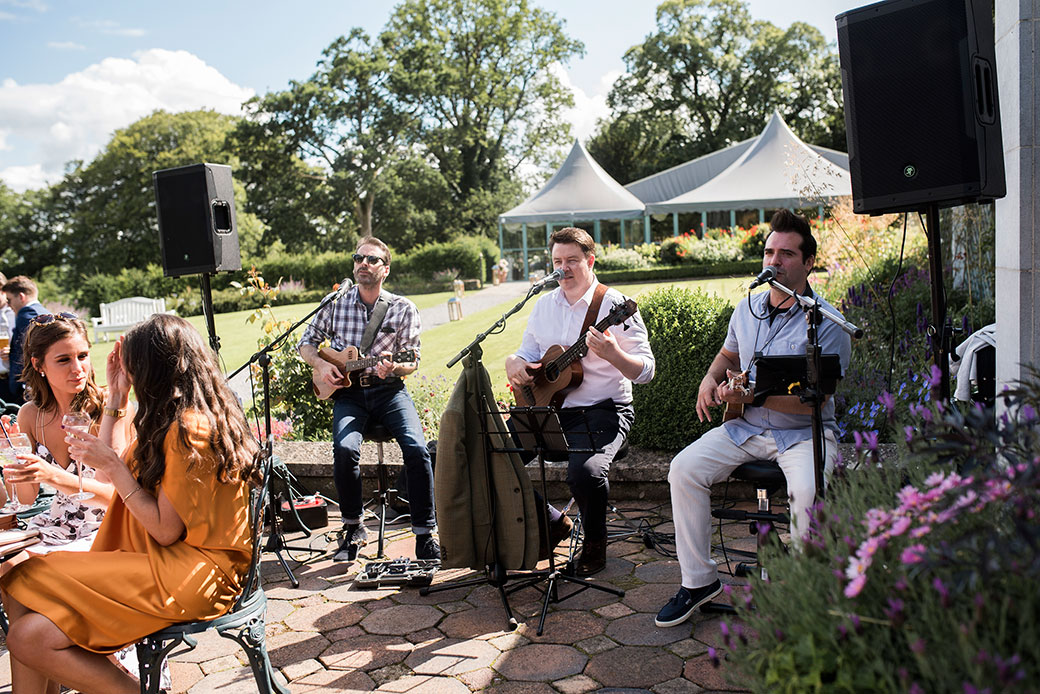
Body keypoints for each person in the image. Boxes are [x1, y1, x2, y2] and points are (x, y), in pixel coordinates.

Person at [0, 314, 258, 693]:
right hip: (173, 561)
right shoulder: (177, 419)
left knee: (22, 578)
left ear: (153, 367)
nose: (127, 373)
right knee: (27, 634)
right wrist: (118, 399)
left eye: (131, 364)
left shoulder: (188, 430)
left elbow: (165, 530)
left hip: (197, 573)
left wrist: (112, 466)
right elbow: (123, 479)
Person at [655, 209, 852, 628]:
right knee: (683, 469)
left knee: (808, 491)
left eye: (786, 254)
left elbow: (815, 402)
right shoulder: (747, 309)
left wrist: (751, 395)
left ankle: (805, 591)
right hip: (745, 427)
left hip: (805, 434)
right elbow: (729, 354)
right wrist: (709, 379)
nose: (774, 261)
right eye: (768, 252)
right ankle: (698, 582)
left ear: (808, 263)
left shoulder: (827, 322)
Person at [505, 227, 655, 576]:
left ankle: (595, 547)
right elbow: (528, 353)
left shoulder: (615, 305)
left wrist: (614, 354)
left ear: (590, 261)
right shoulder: (544, 305)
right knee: (493, 456)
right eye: (557, 262)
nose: (563, 269)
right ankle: (551, 522)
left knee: (585, 474)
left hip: (605, 411)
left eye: (572, 260)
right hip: (549, 409)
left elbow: (646, 371)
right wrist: (514, 361)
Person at [299, 236, 439, 563]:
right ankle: (352, 527)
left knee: (417, 450)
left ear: (385, 269)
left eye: (372, 259)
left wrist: (394, 367)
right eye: (358, 257)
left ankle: (424, 534)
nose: (363, 263)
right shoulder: (335, 302)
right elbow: (307, 343)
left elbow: (411, 360)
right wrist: (321, 365)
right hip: (348, 393)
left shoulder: (403, 308)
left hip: (388, 391)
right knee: (345, 449)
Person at [3, 313, 132, 549]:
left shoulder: (111, 407)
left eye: (82, 356)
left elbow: (117, 496)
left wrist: (51, 475)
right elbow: (26, 499)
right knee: (8, 566)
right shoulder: (30, 415)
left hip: (109, 527)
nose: (77, 368)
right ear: (38, 365)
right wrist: (13, 458)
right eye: (64, 360)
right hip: (57, 525)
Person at [2, 276, 50, 405]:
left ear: (21, 296)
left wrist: (21, 384)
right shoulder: (42, 311)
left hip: (27, 387)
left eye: (9, 300)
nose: (8, 305)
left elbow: (27, 351)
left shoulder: (26, 314)